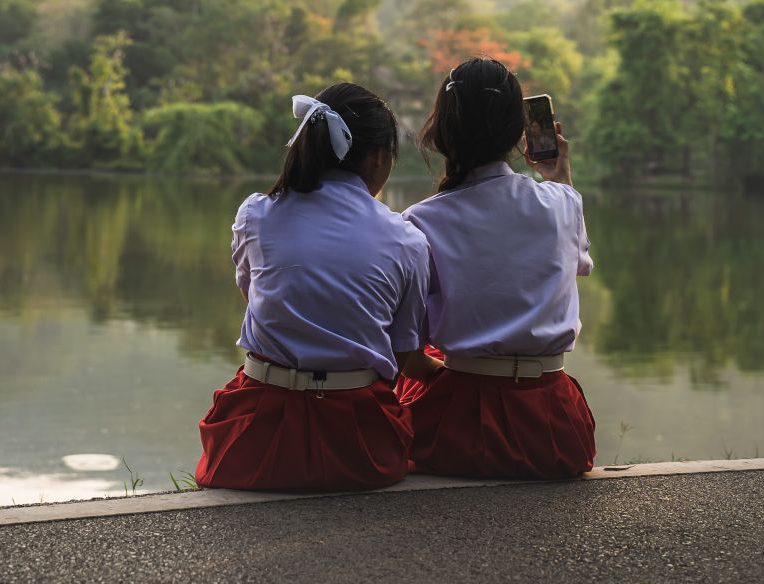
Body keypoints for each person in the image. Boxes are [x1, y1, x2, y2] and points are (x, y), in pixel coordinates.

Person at [195, 83, 440, 491]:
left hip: (257, 439)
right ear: (379, 157)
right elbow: (401, 354)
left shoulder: (256, 214)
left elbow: (253, 297)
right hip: (359, 442)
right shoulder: (406, 240)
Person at [397, 57, 595, 479]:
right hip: (555, 430)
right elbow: (575, 266)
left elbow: (407, 354)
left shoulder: (419, 221)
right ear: (518, 134)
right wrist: (560, 179)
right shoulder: (561, 202)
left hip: (461, 425)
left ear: (442, 131)